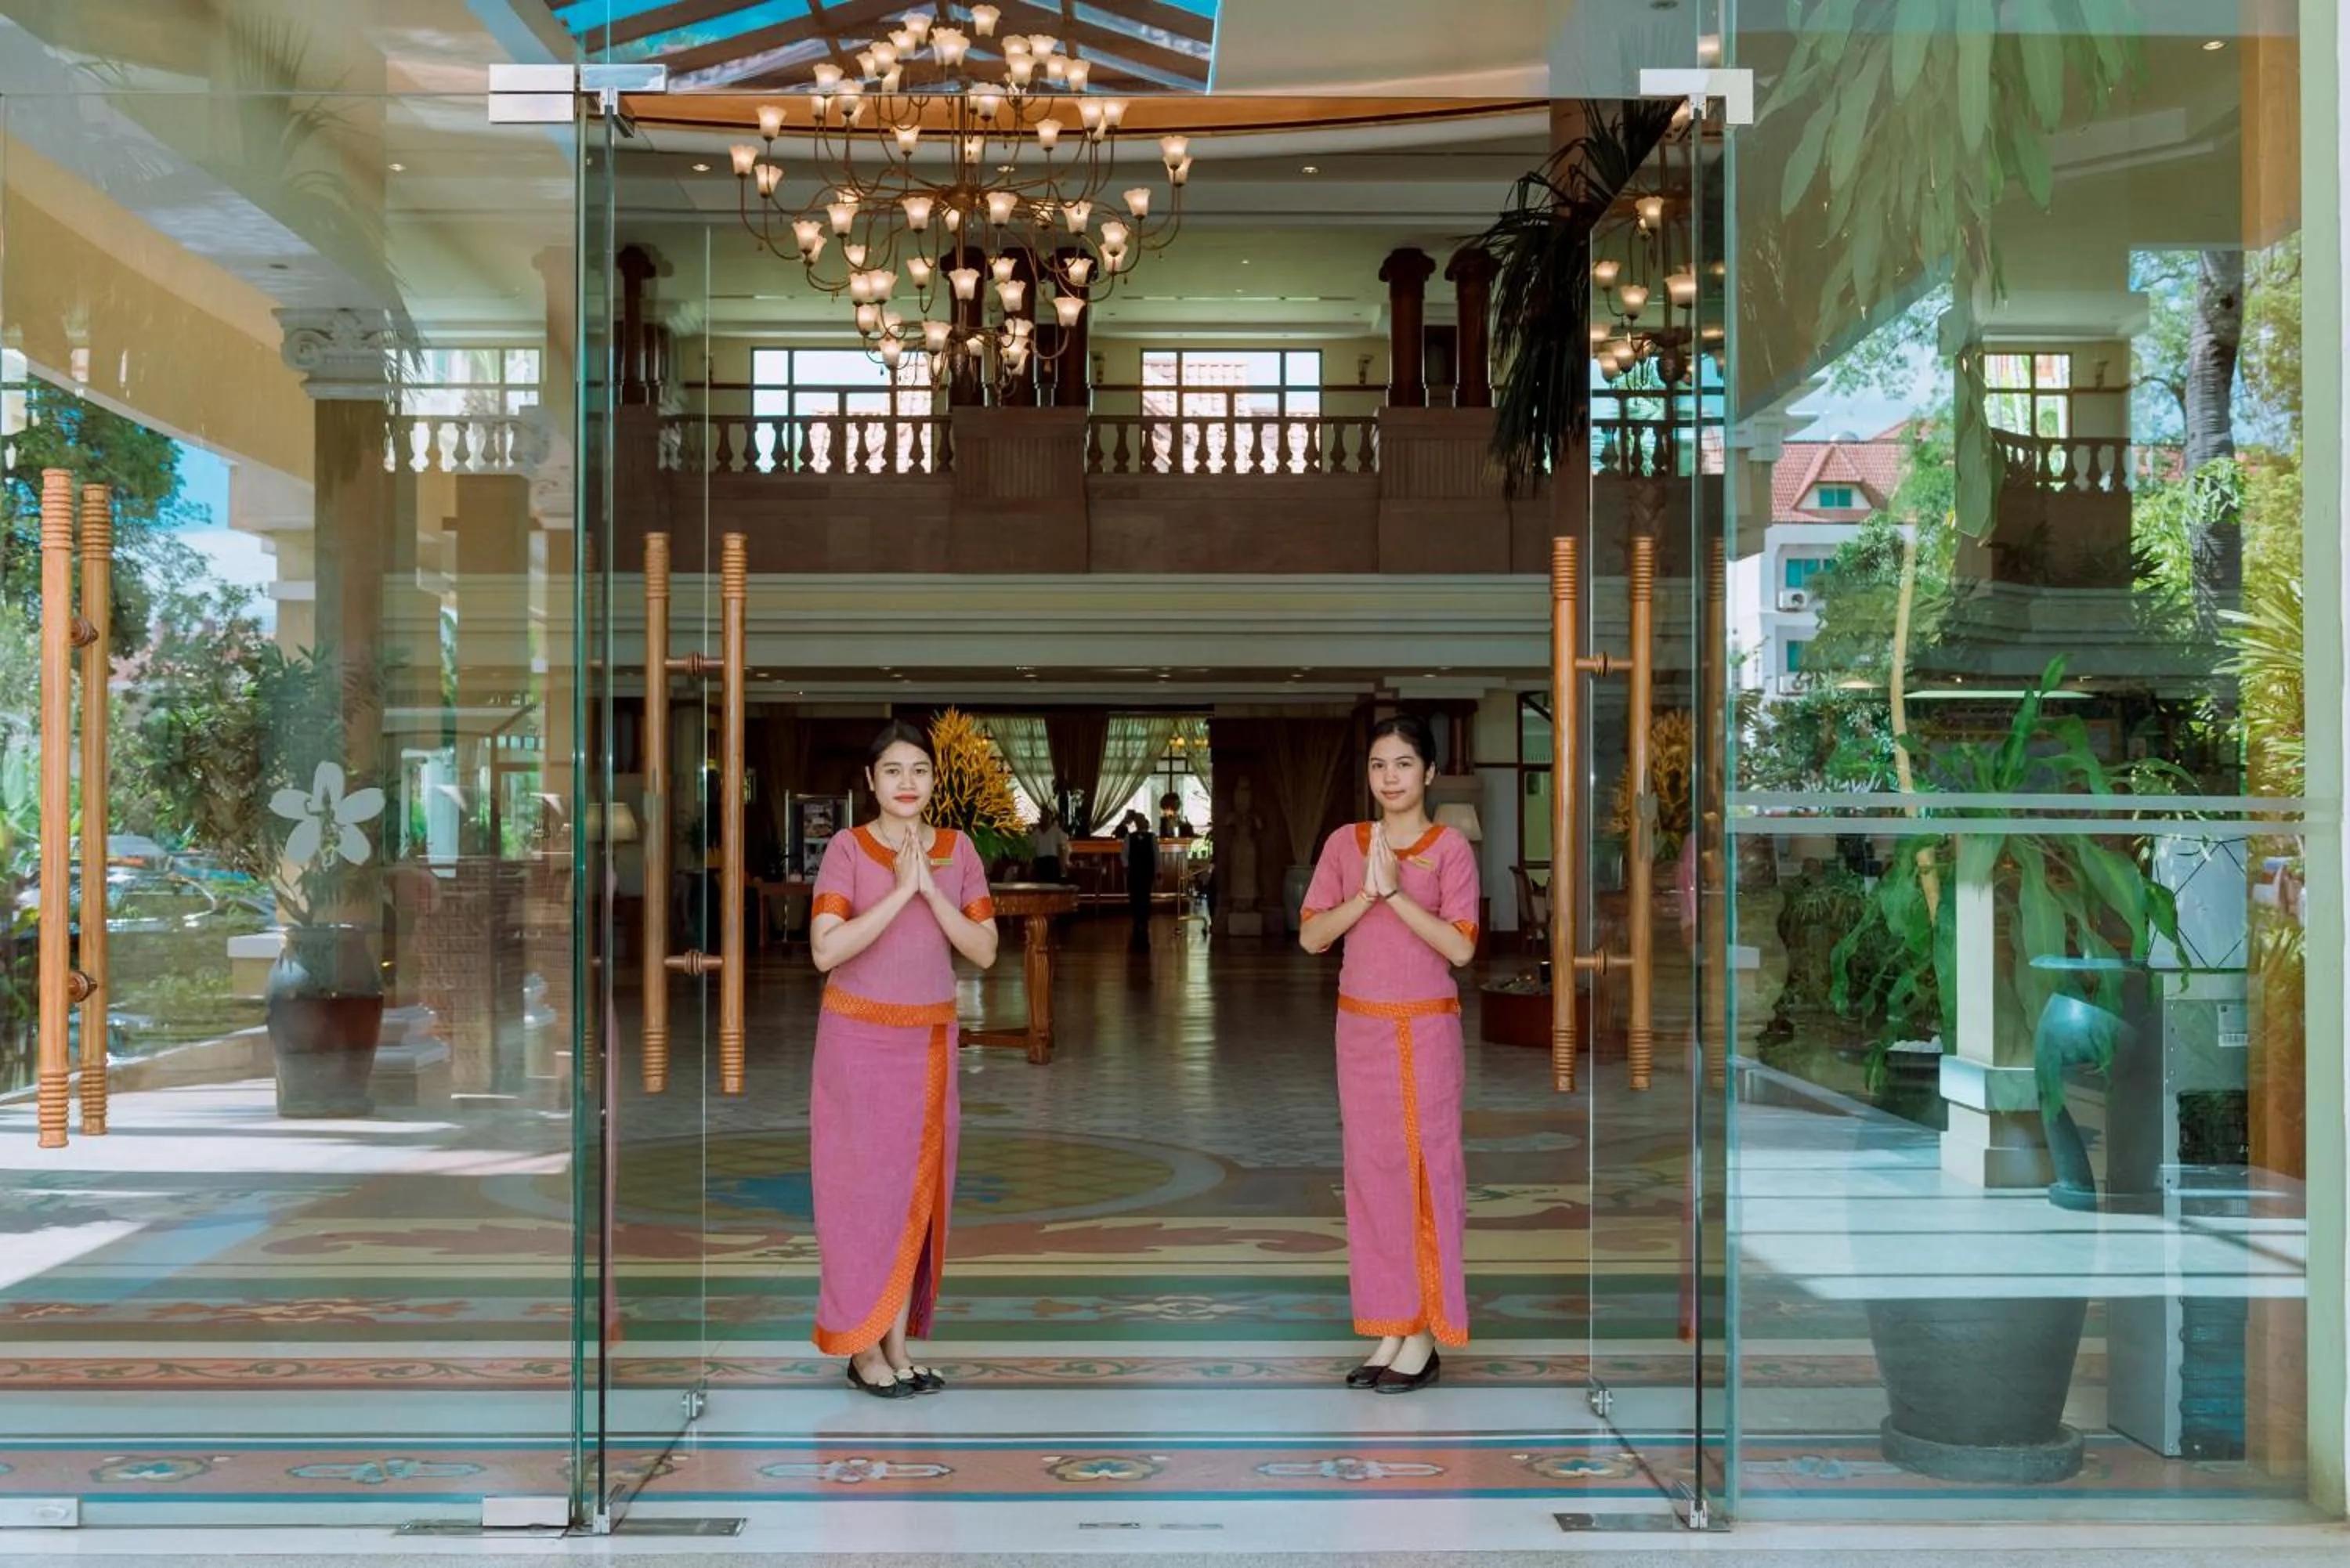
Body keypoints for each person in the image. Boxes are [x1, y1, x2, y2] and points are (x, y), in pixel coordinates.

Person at [808, 721, 1000, 1398]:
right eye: (893, 771)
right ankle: (863, 1346)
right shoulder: (847, 848)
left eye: (919, 770)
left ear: (934, 779)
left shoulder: (959, 850)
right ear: (871, 781)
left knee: (919, 1189)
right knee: (861, 1193)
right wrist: (897, 890)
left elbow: (983, 950)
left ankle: (896, 1340)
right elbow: (826, 950)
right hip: (857, 1044)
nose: (907, 783)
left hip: (929, 1043)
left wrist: (927, 890)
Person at [1299, 714, 1480, 1394]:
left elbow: (1461, 948)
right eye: (1379, 765)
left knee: (1427, 1174)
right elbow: (1313, 936)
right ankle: (1391, 1324)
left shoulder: (1450, 848)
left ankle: (1426, 1335)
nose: (1391, 778)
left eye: (1404, 764)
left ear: (1429, 773)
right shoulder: (1345, 845)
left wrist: (1397, 894)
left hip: (1426, 1031)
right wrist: (1366, 894)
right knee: (1372, 1176)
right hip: (1361, 1031)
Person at [1120, 809, 1156, 951]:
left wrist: (1158, 871)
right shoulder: (1129, 837)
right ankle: (1137, 920)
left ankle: (1144, 921)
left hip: (1147, 872)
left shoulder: (1151, 838)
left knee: (1145, 896)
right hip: (1135, 872)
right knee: (1135, 896)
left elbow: (1156, 855)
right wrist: (1127, 866)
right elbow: (1124, 854)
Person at [1031, 808, 1071, 885]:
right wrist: (1031, 864)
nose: (1045, 819)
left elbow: (1061, 850)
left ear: (1051, 819)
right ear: (1040, 817)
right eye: (1043, 816)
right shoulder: (1036, 833)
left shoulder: (1057, 831)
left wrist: (1063, 866)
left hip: (1052, 863)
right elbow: (1033, 849)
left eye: (1047, 817)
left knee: (1053, 886)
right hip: (1040, 862)